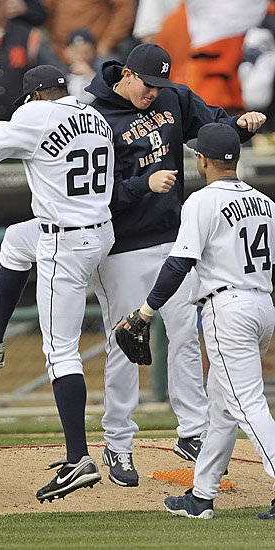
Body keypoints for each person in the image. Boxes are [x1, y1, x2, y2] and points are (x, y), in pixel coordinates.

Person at [84, 42, 266, 487]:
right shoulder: (94, 117)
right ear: (126, 75)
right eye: (148, 85)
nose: (154, 94)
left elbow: (213, 131)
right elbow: (92, 194)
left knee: (186, 334)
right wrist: (142, 184)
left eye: (159, 85)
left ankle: (192, 431)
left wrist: (239, 126)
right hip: (123, 244)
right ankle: (118, 444)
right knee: (125, 342)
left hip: (172, 235)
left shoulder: (172, 97)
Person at [0, 64, 116, 503]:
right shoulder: (92, 113)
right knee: (16, 241)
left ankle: (79, 458)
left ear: (35, 95)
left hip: (68, 241)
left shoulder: (36, 114)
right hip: (100, 231)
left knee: (60, 351)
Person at [116, 122, 275, 520]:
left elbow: (178, 264)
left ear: (201, 159)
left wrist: (145, 311)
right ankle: (200, 497)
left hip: (229, 310)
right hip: (261, 307)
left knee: (247, 405)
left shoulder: (202, 201)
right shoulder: (266, 203)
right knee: (221, 409)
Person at [42, 0, 137, 64]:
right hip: (62, 52)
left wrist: (107, 42)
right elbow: (47, 10)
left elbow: (125, 8)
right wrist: (54, 42)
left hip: (97, 52)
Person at [62, 28, 98, 104]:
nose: (81, 57)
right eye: (76, 52)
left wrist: (90, 74)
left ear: (93, 52)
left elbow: (107, 92)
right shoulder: (61, 74)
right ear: (67, 52)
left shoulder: (101, 73)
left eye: (86, 52)